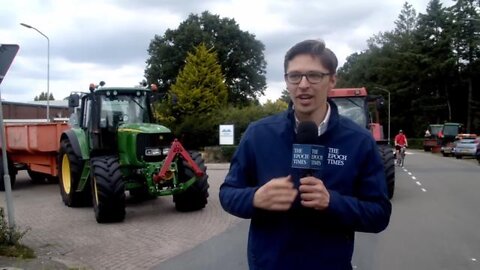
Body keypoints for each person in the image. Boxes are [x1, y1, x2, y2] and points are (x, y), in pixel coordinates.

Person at [219, 39, 391, 270]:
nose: (303, 84)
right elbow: (227, 193)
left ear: (332, 80)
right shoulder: (258, 134)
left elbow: (379, 214)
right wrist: (254, 198)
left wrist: (333, 202)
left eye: (314, 75)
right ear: (287, 81)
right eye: (294, 76)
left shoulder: (359, 141)